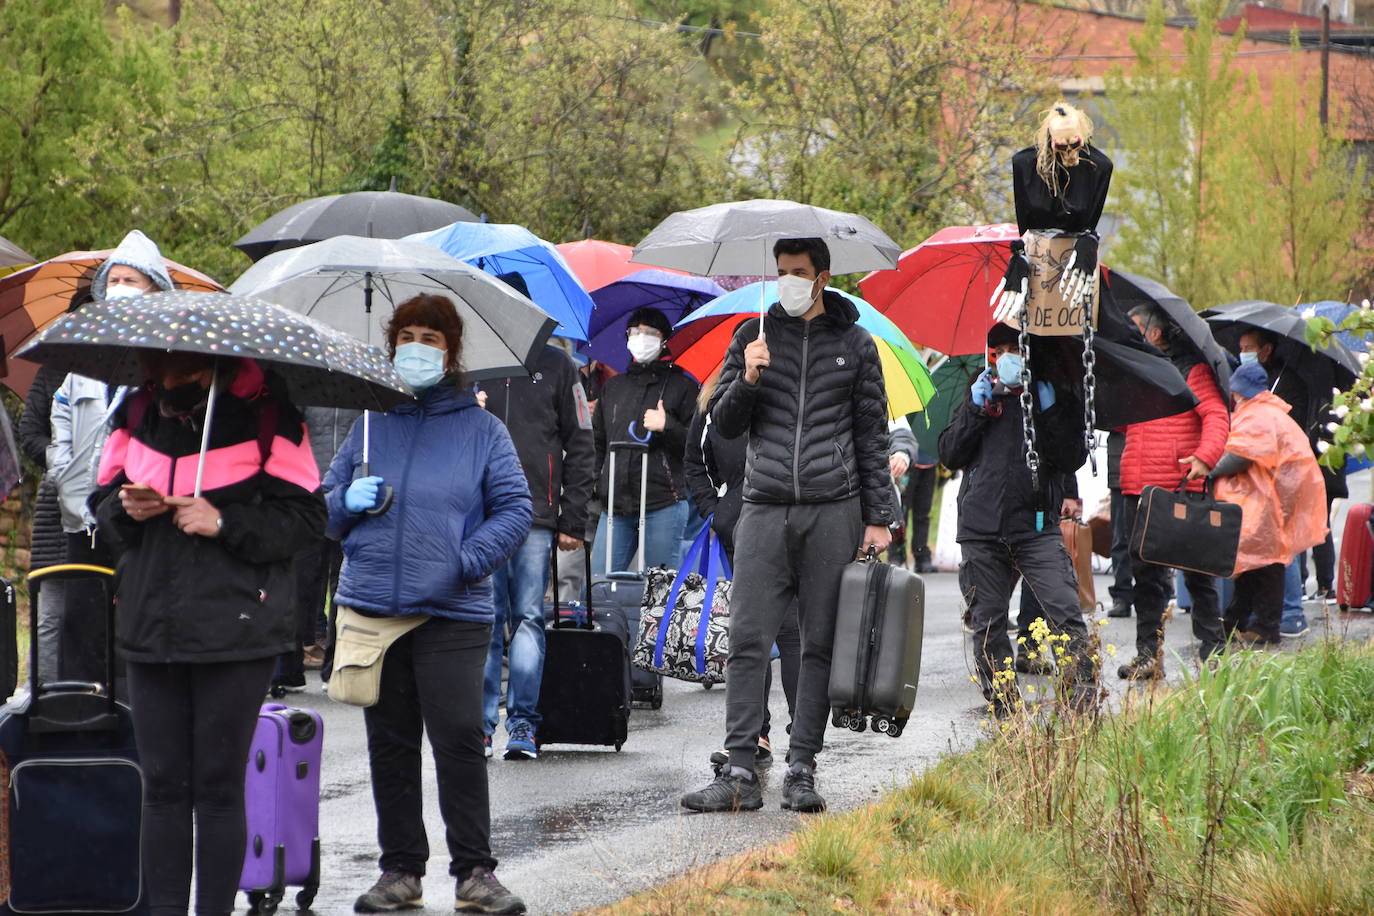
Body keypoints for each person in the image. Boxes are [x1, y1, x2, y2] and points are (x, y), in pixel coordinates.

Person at [89, 350, 325, 916]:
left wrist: (224, 523)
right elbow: (100, 504)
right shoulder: (136, 410)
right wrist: (127, 510)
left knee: (218, 788)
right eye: (157, 371)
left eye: (182, 372)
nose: (168, 382)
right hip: (151, 623)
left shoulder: (272, 416)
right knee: (162, 786)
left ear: (212, 364)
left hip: (238, 630)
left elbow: (307, 520)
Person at [324, 294, 531, 915]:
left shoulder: (482, 429)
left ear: (451, 351)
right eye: (407, 335)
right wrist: (344, 503)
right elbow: (324, 505)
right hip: (374, 611)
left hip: (452, 611)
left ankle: (474, 872)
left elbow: (516, 509)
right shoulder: (368, 421)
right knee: (389, 744)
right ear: (391, 344)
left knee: (459, 739)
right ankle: (400, 872)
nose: (416, 347)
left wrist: (465, 562)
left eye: (431, 338)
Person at [680, 237, 892, 815]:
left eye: (799, 272)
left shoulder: (856, 343)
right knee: (748, 638)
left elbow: (872, 436)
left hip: (834, 507)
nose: (789, 282)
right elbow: (722, 425)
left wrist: (881, 518)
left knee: (818, 641)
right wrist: (747, 378)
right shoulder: (751, 337)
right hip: (764, 507)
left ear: (823, 276)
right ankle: (741, 770)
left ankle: (802, 767)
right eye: (781, 272)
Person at [20, 231, 176, 681]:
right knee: (80, 624)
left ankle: (127, 717)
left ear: (156, 290)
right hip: (82, 520)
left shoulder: (168, 362)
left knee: (130, 623)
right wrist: (69, 483)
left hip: (139, 515)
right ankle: (81, 717)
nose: (119, 287)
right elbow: (59, 425)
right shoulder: (81, 364)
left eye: (132, 279)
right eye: (115, 279)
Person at [939, 324, 1095, 715]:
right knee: (988, 624)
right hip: (981, 526)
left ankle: (1081, 703)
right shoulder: (979, 391)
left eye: (1015, 348)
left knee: (1064, 611)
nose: (1006, 356)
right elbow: (951, 453)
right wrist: (976, 409)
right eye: (998, 350)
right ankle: (1004, 706)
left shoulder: (1051, 393)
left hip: (1036, 526)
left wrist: (1050, 411)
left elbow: (1070, 456)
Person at [479, 343, 595, 761]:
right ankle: (481, 725)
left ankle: (523, 722)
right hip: (480, 515)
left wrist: (573, 519)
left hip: (535, 515)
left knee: (527, 616)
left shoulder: (558, 365)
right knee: (485, 621)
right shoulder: (472, 361)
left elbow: (582, 443)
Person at [685, 370, 799, 764]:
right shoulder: (712, 401)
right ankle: (754, 735)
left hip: (791, 528)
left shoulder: (787, 387)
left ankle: (802, 738)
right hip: (738, 532)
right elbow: (694, 464)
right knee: (749, 637)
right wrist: (716, 512)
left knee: (793, 634)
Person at [1117, 304, 1229, 679]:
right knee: (1146, 579)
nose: (1132, 333)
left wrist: (1205, 457)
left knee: (1198, 575)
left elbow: (1216, 415)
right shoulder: (1137, 370)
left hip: (1180, 487)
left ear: (1156, 332)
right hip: (1139, 490)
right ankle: (1148, 656)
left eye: (1136, 327)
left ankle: (1213, 654)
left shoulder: (1190, 371)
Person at [1208, 362, 1327, 645]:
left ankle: (1265, 627)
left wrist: (1209, 470)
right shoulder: (1269, 411)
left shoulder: (1258, 415)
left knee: (1265, 565)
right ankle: (1239, 621)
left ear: (1240, 390)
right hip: (1271, 500)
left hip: (1261, 503)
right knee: (1255, 566)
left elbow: (1241, 455)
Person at [591, 307, 699, 573]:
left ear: (664, 340)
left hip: (662, 502)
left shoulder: (682, 388)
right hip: (615, 504)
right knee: (598, 584)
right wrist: (597, 486)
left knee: (659, 588)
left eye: (650, 332)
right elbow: (598, 444)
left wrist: (668, 426)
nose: (641, 337)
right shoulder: (614, 388)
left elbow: (697, 448)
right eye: (634, 332)